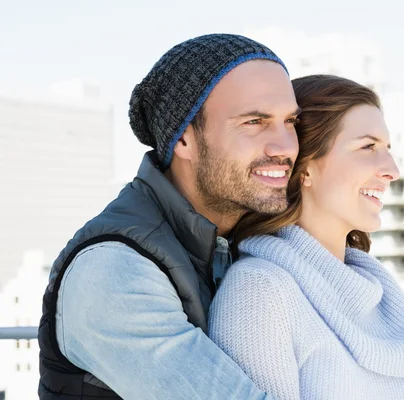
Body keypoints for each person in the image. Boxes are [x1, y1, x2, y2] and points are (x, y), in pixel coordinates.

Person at [37, 34, 301, 399]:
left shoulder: (247, 243)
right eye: (255, 121)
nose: (286, 146)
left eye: (290, 122)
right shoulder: (113, 268)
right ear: (183, 139)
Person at [209, 75, 404, 400]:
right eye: (368, 147)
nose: (391, 170)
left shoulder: (377, 291)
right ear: (305, 165)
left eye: (387, 149)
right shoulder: (260, 294)